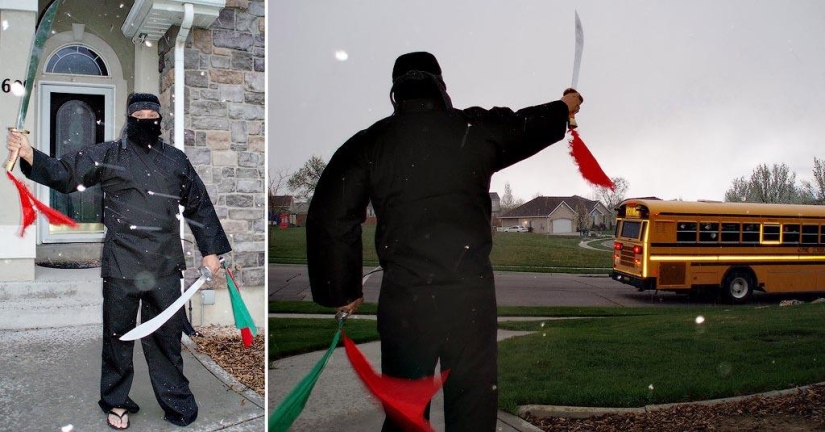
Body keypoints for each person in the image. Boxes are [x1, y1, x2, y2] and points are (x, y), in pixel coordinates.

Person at [306, 51, 583, 431]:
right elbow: (522, 124)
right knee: (472, 405)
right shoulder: (473, 129)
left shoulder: (370, 145)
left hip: (407, 301)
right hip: (469, 298)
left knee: (405, 412)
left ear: (396, 91)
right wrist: (563, 107)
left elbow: (330, 212)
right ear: (440, 85)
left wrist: (342, 288)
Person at [6, 93, 231, 429]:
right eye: (139, 112)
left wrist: (211, 251)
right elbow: (64, 173)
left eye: (151, 112)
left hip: (165, 264)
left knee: (167, 339)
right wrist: (29, 154)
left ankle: (176, 400)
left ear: (159, 120)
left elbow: (198, 204)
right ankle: (116, 400)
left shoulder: (176, 160)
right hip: (122, 263)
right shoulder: (108, 154)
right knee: (117, 338)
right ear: (129, 118)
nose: (146, 117)